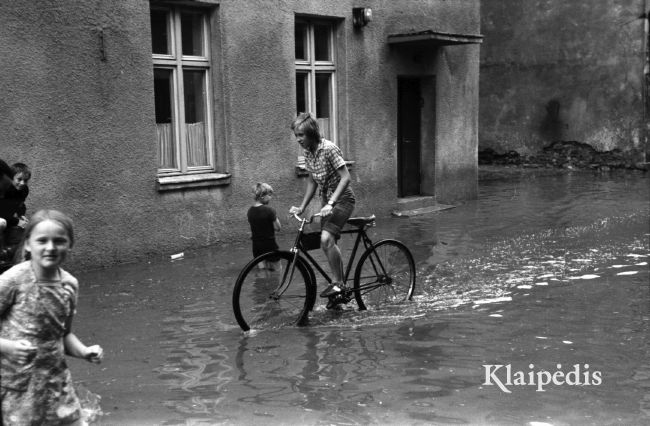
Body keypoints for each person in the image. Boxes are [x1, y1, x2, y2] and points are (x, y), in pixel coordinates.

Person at [0, 209, 104, 425]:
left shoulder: (69, 285)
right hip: (16, 388)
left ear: (69, 245)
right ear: (28, 244)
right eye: (42, 241)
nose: (50, 247)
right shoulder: (14, 280)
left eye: (59, 241)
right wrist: (8, 347)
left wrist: (84, 351)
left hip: (56, 384)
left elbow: (63, 335)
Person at [289, 112, 355, 307]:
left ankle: (338, 284)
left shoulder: (329, 149)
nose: (298, 139)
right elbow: (312, 181)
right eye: (296, 136)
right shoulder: (308, 152)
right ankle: (339, 287)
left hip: (343, 199)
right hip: (328, 200)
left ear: (311, 132)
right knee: (326, 242)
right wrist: (302, 207)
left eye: (301, 135)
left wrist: (330, 204)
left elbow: (346, 178)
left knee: (326, 239)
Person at [0, 163, 31, 262]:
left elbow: (21, 205)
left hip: (9, 218)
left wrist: (21, 215)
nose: (22, 183)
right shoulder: (6, 190)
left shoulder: (24, 190)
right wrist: (17, 222)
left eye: (25, 180)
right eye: (19, 179)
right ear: (11, 178)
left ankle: (11, 256)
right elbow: (3, 213)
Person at [247, 182, 281, 269]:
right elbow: (278, 228)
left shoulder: (250, 211)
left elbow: (252, 231)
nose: (271, 197)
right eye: (269, 195)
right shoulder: (269, 210)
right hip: (270, 246)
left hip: (256, 247)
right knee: (277, 272)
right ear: (262, 196)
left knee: (262, 272)